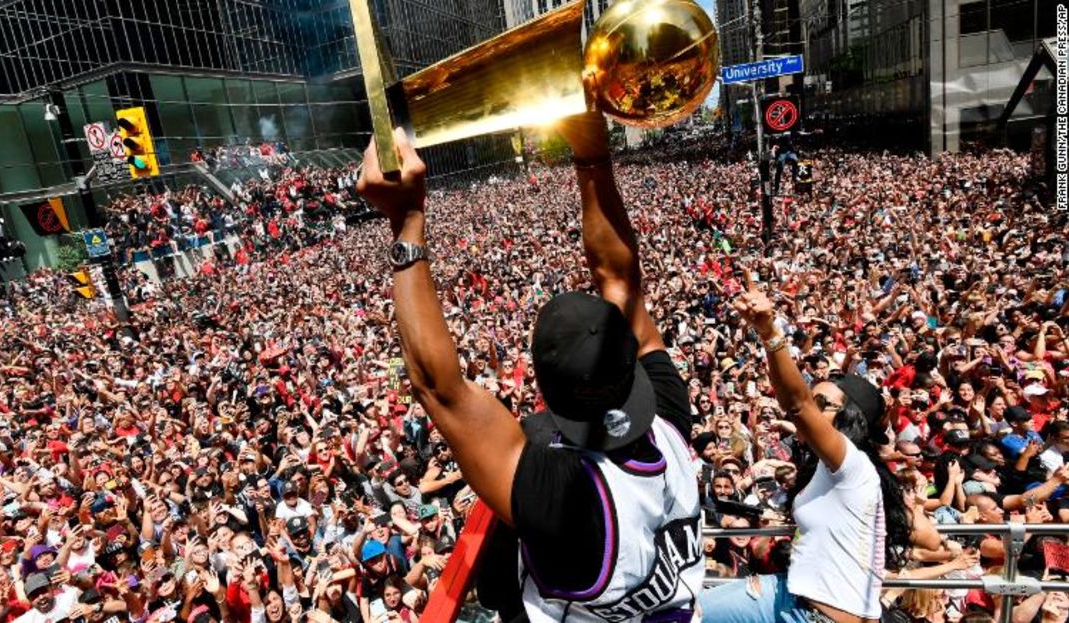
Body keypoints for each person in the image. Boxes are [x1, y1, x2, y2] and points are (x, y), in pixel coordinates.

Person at [355, 116, 703, 622]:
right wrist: (591, 154)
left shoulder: (567, 496)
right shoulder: (669, 420)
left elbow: (441, 389)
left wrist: (407, 221)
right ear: (631, 364)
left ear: (545, 392)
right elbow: (621, 282)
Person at [698, 277, 911, 623]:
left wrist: (769, 331)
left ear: (849, 419)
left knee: (686, 612)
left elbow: (796, 404)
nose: (812, 408)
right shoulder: (839, 471)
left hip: (812, 615)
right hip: (790, 596)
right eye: (814, 399)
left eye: (822, 404)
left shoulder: (853, 465)